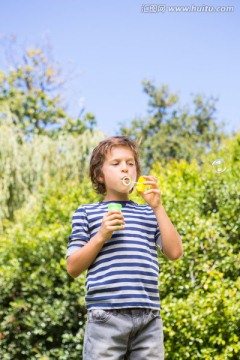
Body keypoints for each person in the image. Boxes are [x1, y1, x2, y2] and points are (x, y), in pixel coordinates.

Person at [66, 136, 183, 360]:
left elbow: (175, 253)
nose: (125, 168)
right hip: (105, 316)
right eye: (116, 163)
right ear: (99, 175)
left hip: (148, 317)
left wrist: (157, 207)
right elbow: (73, 267)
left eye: (130, 163)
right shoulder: (86, 213)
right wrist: (101, 235)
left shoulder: (148, 213)